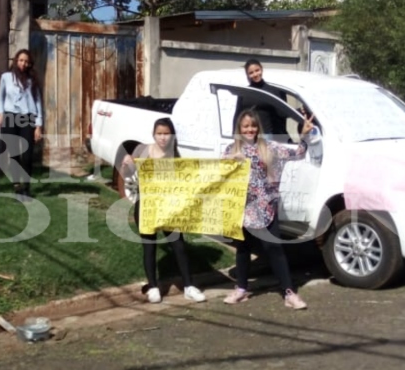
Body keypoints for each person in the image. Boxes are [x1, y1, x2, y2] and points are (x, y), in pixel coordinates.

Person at [222, 109, 314, 310]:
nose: (250, 130)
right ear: (239, 128)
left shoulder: (269, 147)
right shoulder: (231, 150)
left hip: (266, 206)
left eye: (253, 126)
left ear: (258, 128)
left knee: (274, 248)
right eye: (245, 126)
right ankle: (241, 288)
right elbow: (219, 176)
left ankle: (289, 292)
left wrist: (304, 135)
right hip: (242, 207)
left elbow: (297, 153)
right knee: (243, 248)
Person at [120, 118, 206, 304]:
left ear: (172, 135)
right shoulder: (142, 150)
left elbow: (185, 181)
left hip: (170, 208)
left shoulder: (176, 155)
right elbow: (128, 174)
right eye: (159, 133)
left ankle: (189, 285)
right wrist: (126, 163)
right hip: (147, 206)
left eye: (166, 133)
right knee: (149, 246)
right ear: (154, 134)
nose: (163, 137)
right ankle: (153, 286)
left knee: (179, 245)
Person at [0, 49, 44, 199]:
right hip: (10, 117)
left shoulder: (32, 80)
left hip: (27, 118)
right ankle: (17, 186)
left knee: (27, 155)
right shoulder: (6, 77)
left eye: (27, 61)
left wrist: (38, 125)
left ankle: (27, 187)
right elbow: (0, 98)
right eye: (21, 60)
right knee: (13, 153)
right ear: (16, 61)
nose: (24, 64)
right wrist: (1, 113)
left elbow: (38, 102)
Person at [244, 58, 301, 140]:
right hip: (249, 134)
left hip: (265, 134)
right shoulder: (245, 92)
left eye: (257, 70)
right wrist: (235, 136)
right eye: (251, 73)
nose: (255, 74)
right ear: (248, 75)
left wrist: (299, 111)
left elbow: (282, 112)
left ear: (261, 69)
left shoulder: (271, 90)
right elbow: (238, 114)